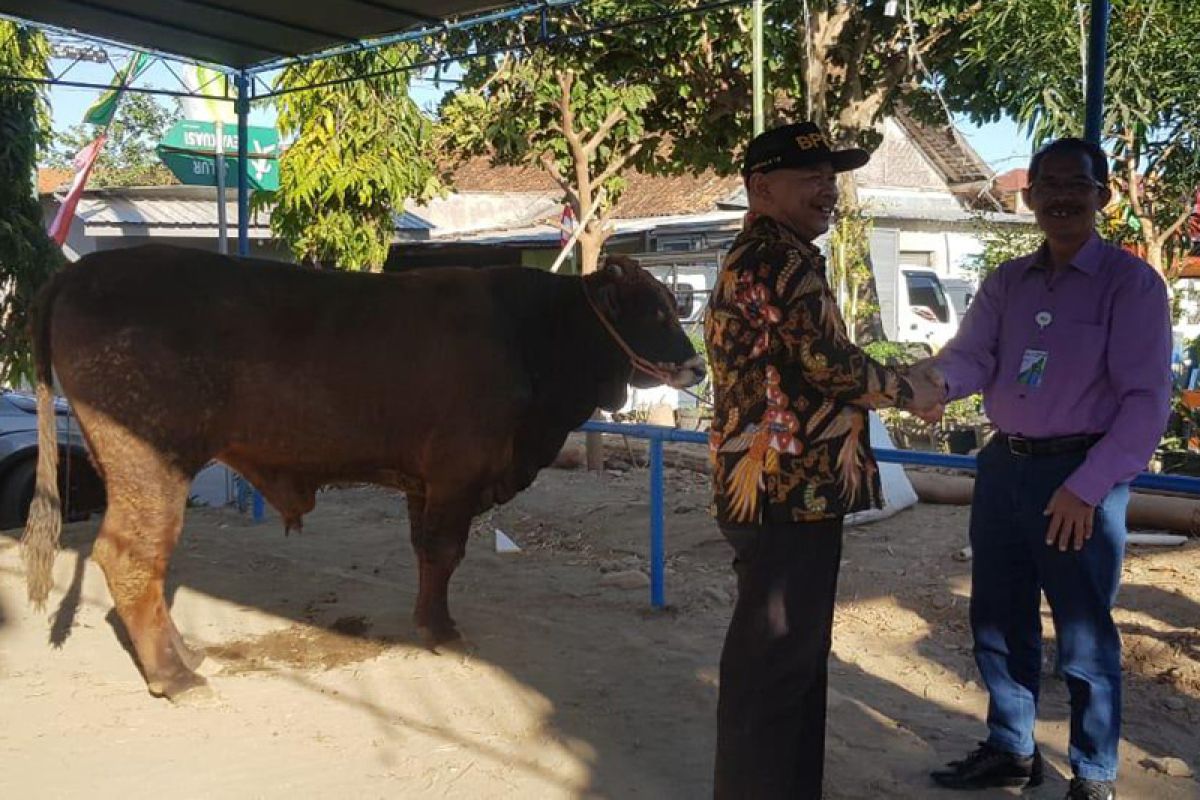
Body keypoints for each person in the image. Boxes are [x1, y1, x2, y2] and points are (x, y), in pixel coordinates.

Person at [925, 137, 1172, 800]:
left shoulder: (1132, 286)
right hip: (1005, 466)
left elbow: (1148, 405)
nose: (1062, 197)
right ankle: (1011, 747)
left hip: (1080, 476)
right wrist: (929, 385)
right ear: (1029, 195)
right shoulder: (1008, 282)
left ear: (1102, 195)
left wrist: (1086, 489)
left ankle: (1093, 774)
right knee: (999, 620)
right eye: (1050, 184)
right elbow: (971, 358)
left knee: (1085, 637)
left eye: (1078, 184)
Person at [704, 121, 943, 799]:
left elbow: (807, 362)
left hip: (779, 491)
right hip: (785, 493)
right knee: (778, 667)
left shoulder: (765, 256)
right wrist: (908, 389)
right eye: (811, 179)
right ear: (761, 187)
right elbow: (826, 362)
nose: (828, 191)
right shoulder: (777, 261)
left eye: (831, 179)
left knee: (789, 663)